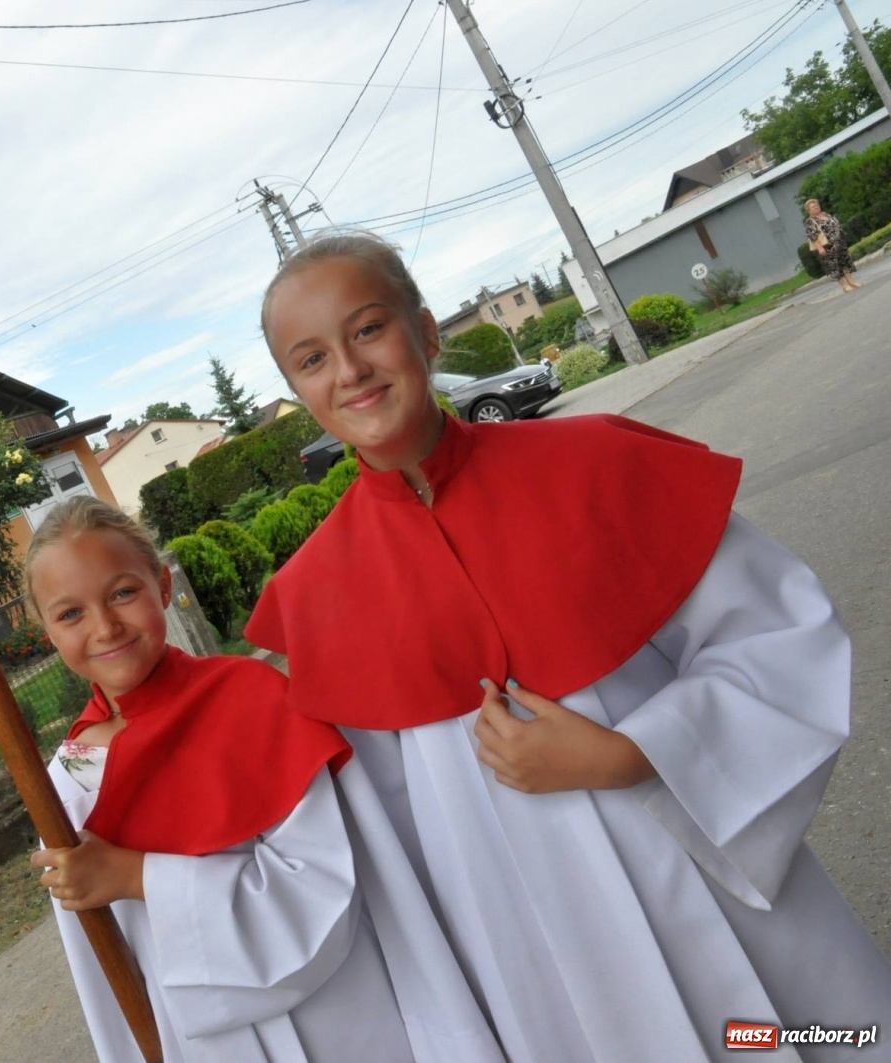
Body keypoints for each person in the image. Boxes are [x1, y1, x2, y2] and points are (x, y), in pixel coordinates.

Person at [251, 233, 891, 1063]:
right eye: (311, 358)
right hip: (543, 959)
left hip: (706, 877)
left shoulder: (599, 462)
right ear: (298, 390)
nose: (349, 369)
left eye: (368, 328)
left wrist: (634, 752)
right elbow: (384, 858)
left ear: (428, 332)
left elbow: (777, 638)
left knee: (801, 1033)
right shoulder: (314, 602)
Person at [25, 496, 503, 1063]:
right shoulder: (67, 779)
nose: (104, 627)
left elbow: (319, 898)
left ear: (162, 583)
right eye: (70, 614)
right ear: (46, 632)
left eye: (122, 593)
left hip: (340, 1019)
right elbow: (110, 975)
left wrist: (138, 877)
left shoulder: (250, 697)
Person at [805, 198, 862, 292]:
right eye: (813, 207)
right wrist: (820, 248)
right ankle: (845, 285)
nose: (816, 207)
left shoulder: (825, 214)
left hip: (839, 242)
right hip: (828, 247)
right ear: (809, 210)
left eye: (817, 205)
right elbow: (812, 236)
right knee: (835, 266)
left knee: (845, 263)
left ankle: (852, 282)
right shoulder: (810, 221)